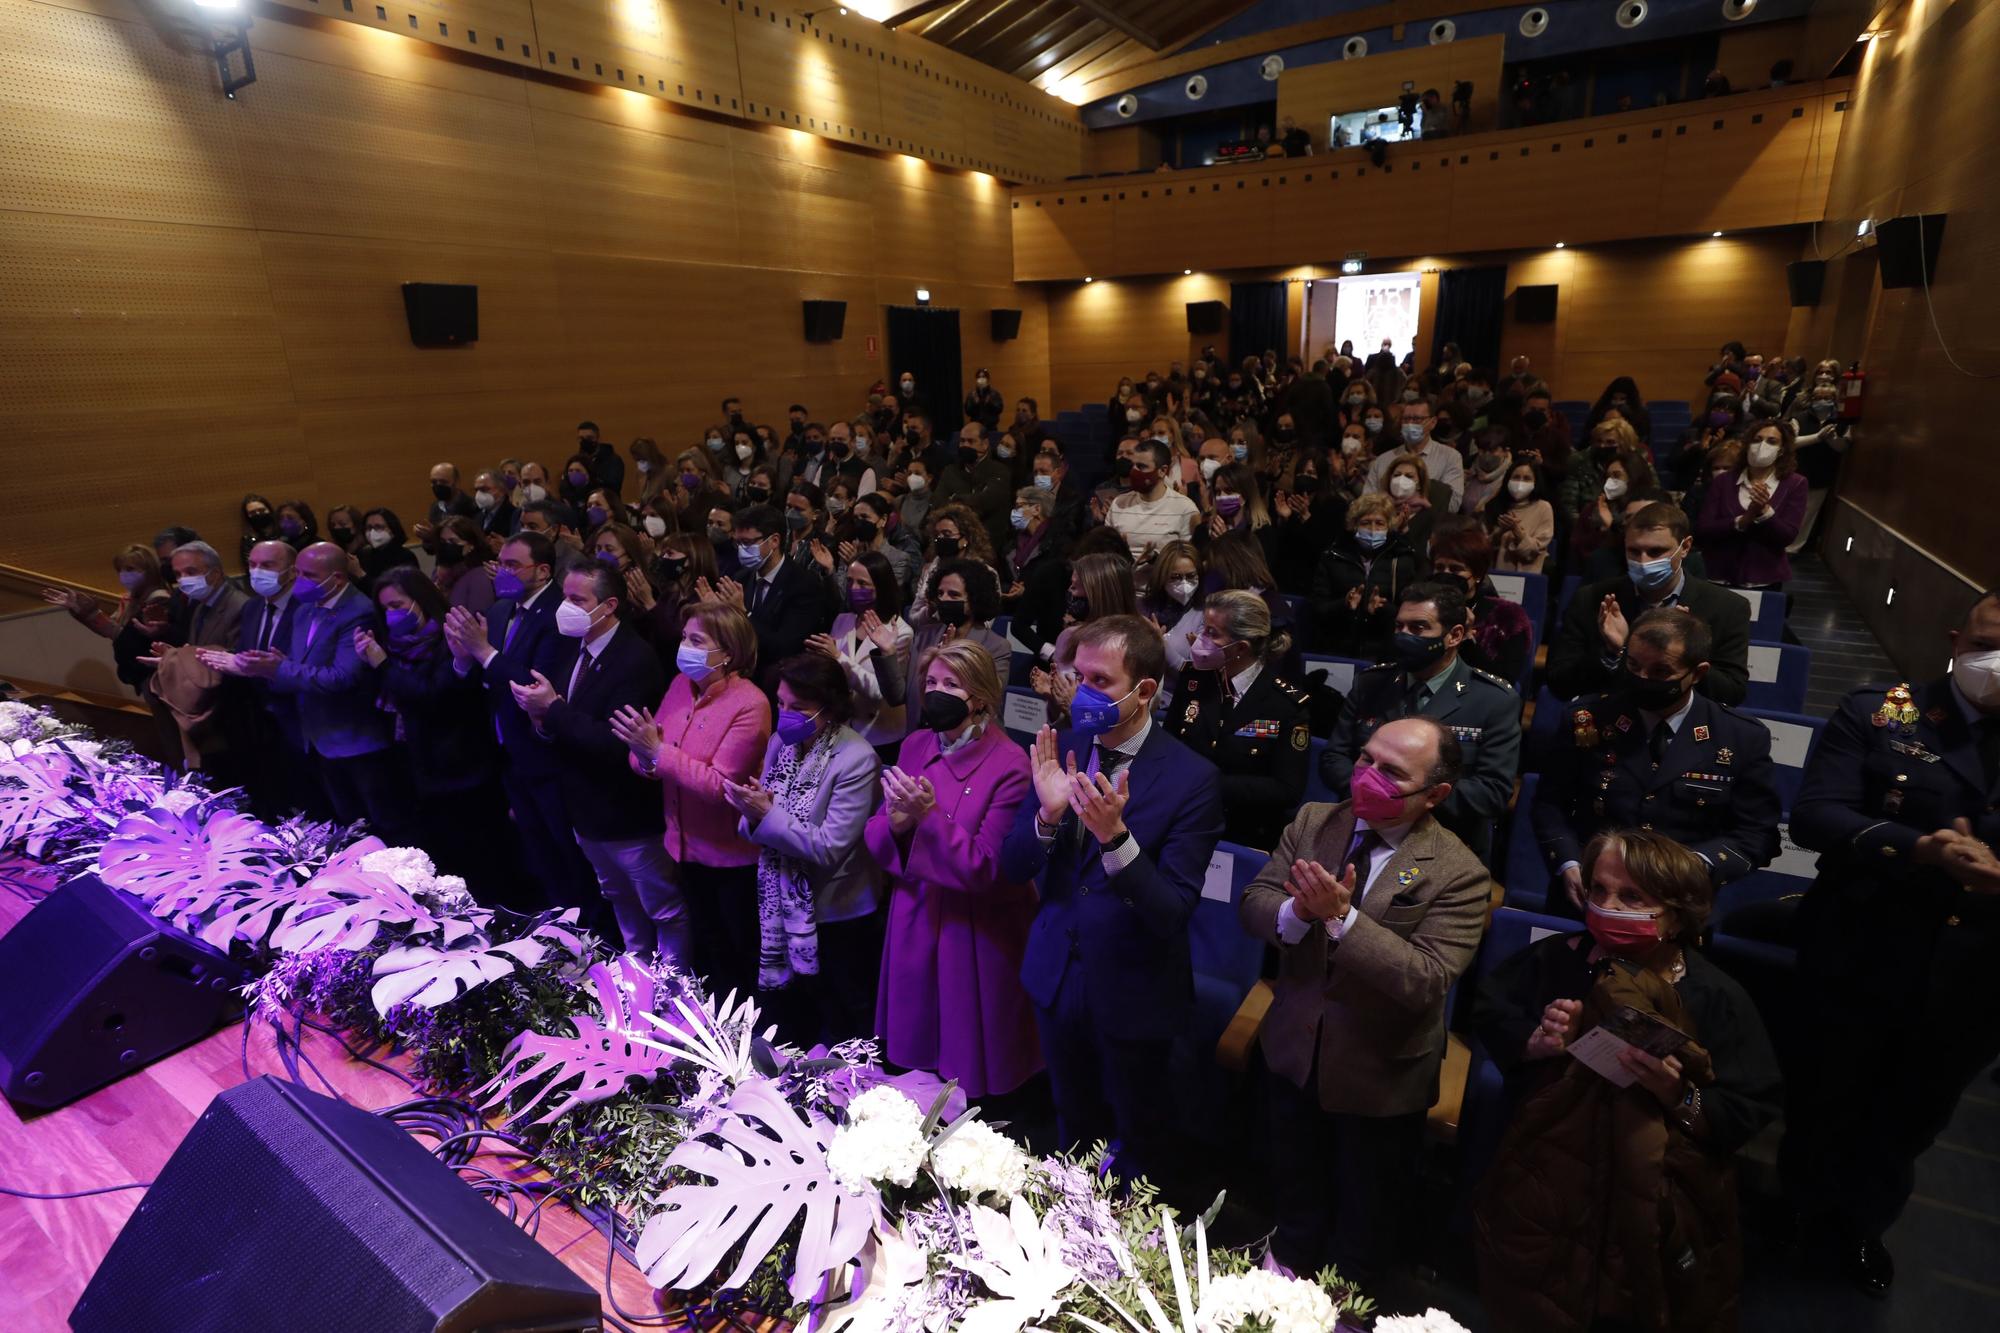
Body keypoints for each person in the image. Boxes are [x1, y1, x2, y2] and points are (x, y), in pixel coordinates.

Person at [1473, 830, 1782, 1332]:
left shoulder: (1717, 997)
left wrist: (1676, 1094)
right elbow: (1492, 1010)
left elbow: (1749, 1105)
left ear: (1676, 913)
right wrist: (1538, 1043)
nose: (1606, 906)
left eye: (1631, 897)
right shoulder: (1558, 957)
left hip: (1653, 1205)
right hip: (1549, 1189)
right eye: (1598, 890)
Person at [1781, 592, 2000, 1296]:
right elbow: (1816, 814)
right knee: (1825, 1093)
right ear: (1958, 636)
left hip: (1974, 972)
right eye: (1993, 640)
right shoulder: (1888, 710)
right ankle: (1795, 1214)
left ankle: (1861, 1225)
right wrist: (1920, 850)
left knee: (1913, 1112)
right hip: (1863, 943)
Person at [1242, 716, 1492, 1282]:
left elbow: (1427, 977)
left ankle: (1350, 1307)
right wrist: (1295, 913)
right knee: (1294, 1191)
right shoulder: (1315, 821)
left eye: (1391, 772)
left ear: (1435, 795)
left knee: (1366, 1216)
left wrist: (1341, 919)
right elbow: (1253, 902)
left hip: (1380, 1072)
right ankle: (1281, 1283)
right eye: (1366, 760)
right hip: (1294, 1050)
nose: (1368, 776)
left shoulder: (1460, 872)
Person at [1000, 615, 1224, 1187]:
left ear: (1144, 691)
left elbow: (1172, 909)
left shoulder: (1191, 778)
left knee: (1139, 1140)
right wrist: (1047, 817)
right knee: (1070, 1127)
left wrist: (1115, 839)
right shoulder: (1063, 746)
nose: (1082, 692)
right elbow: (1012, 867)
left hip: (1133, 987)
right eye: (1078, 676)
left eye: (1101, 680)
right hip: (1055, 974)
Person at [868, 639, 1041, 1099]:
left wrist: (928, 819)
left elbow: (988, 867)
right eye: (930, 682)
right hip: (916, 914)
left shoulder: (1011, 765)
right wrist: (901, 826)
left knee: (969, 1060)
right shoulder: (915, 744)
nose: (936, 692)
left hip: (974, 929)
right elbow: (879, 830)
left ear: (980, 696)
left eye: (951, 684)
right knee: (912, 1056)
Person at [1533, 608, 1779, 912]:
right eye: (1633, 665)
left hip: (1679, 904)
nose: (1642, 679)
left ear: (1698, 673)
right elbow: (1549, 804)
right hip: (1590, 894)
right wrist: (1568, 862)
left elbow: (1757, 833)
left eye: (1661, 672)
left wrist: (1693, 868)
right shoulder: (1588, 718)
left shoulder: (1739, 737)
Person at [613, 602, 771, 998]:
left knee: (738, 956)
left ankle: (748, 1043)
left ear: (728, 653)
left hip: (731, 856)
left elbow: (721, 787)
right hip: (682, 847)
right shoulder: (681, 685)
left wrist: (657, 753)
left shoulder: (750, 704)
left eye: (696, 640)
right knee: (707, 950)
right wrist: (648, 755)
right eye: (684, 637)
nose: (684, 646)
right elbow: (644, 754)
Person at [724, 653, 883, 1044]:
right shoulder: (782, 742)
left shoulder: (857, 758)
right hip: (781, 896)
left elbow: (829, 846)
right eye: (780, 703)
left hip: (837, 909)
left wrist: (765, 814)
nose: (785, 714)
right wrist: (753, 810)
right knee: (798, 1010)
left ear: (828, 709)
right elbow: (759, 820)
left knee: (844, 1010)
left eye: (798, 708)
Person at [508, 563, 673, 938]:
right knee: (617, 902)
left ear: (609, 605)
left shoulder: (635, 658)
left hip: (625, 812)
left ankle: (671, 984)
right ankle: (633, 976)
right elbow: (561, 723)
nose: (564, 606)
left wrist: (553, 709)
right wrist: (539, 719)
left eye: (576, 599)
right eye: (565, 596)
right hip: (583, 809)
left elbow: (615, 743)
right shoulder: (571, 648)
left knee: (661, 910)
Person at [204, 541, 411, 841]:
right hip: (315, 738)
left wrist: (277, 669)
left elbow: (342, 677)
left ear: (337, 578)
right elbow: (297, 668)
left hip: (357, 739)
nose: (298, 581)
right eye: (297, 572)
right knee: (347, 828)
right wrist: (264, 667)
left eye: (308, 575)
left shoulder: (359, 611)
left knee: (385, 828)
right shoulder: (304, 610)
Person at [1321, 582, 1521, 865]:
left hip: (1445, 851)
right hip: (1364, 835)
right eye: (1399, 627)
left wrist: (1403, 800)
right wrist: (1373, 794)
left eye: (1418, 628)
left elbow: (1491, 791)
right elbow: (1334, 757)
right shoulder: (1372, 683)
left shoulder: (1493, 700)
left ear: (1454, 635)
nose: (1403, 636)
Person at [443, 531, 588, 910]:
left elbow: (535, 684)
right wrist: (462, 659)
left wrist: (483, 651)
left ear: (542, 570)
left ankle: (588, 927)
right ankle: (555, 925)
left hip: (547, 754)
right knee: (536, 851)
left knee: (567, 853)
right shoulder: (500, 608)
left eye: (512, 565)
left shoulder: (561, 614)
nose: (502, 572)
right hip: (508, 752)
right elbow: (484, 677)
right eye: (500, 563)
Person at [356, 567, 512, 894]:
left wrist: (382, 664)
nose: (392, 614)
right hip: (414, 766)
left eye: (398, 605)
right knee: (440, 856)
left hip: (461, 765)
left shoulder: (447, 639)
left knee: (483, 857)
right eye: (385, 608)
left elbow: (431, 698)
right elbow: (379, 699)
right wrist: (372, 664)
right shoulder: (387, 645)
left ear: (420, 600)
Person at [1547, 502, 1752, 704]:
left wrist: (1686, 655)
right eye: (1634, 552)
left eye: (1656, 552)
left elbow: (1732, 693)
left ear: (1685, 547)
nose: (1644, 562)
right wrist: (1612, 653)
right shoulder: (1592, 599)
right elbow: (1559, 683)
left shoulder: (1728, 607)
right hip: (1611, 721)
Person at [1163, 590, 1312, 847]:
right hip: (1183, 822)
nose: (1200, 639)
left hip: (1244, 831)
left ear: (1241, 647)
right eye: (1203, 629)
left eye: (1211, 633)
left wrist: (1207, 786)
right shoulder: (1195, 681)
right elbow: (1167, 746)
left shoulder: (1285, 704)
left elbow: (1287, 790)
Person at [148, 541, 252, 773]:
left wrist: (182, 658)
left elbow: (235, 658)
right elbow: (198, 650)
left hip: (236, 713)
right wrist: (174, 656)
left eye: (191, 572)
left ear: (215, 573)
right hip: (213, 717)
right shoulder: (198, 606)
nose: (183, 579)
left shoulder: (239, 606)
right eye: (178, 574)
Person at [231, 539, 311, 821]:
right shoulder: (253, 607)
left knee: (307, 799)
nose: (257, 572)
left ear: (291, 571)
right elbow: (246, 653)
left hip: (298, 716)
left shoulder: (307, 607)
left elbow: (308, 664)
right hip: (261, 718)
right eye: (252, 565)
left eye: (267, 565)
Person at [717, 503, 831, 686]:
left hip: (780, 684)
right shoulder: (740, 578)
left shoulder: (804, 584)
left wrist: (744, 614)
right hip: (739, 679)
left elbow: (785, 646)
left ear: (774, 541)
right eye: (738, 543)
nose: (741, 550)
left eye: (747, 543)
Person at [814, 551, 912, 751]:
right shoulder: (843, 620)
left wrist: (838, 657)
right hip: (841, 726)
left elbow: (881, 690)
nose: (854, 588)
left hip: (879, 734)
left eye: (862, 583)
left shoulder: (901, 632)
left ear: (881, 587)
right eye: (850, 582)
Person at [1694, 419, 1807, 589]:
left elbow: (1787, 536)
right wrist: (1742, 521)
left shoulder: (1795, 484)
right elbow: (1704, 529)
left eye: (1771, 441)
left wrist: (1765, 512)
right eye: (1757, 439)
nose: (1762, 445)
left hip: (1764, 575)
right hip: (1719, 572)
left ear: (1782, 450)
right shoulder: (1724, 481)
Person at [42, 545, 169, 695]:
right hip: (140, 674)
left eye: (130, 569)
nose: (123, 575)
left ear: (149, 570)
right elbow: (113, 632)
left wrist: (92, 613)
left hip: (158, 675)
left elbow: (128, 637)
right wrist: (79, 610)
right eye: (120, 570)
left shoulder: (159, 598)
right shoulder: (130, 599)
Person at [1309, 493, 1420, 659]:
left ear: (1388, 526)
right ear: (1354, 525)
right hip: (1338, 649)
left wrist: (1384, 608)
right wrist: (1343, 605)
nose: (1373, 529)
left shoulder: (1403, 560)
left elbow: (1413, 613)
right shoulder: (1332, 557)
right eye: (1366, 523)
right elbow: (1316, 608)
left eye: (1379, 523)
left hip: (1383, 652)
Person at [1427, 518, 1535, 687]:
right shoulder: (1422, 607)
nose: (1446, 574)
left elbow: (1504, 681)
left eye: (1456, 569)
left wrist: (1467, 640)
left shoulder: (1507, 617)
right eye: (1439, 568)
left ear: (1477, 574)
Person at [1107, 438, 1200, 562]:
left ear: (1162, 471)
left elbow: (1190, 558)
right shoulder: (1118, 504)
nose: (1134, 471)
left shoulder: (1185, 508)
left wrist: (1156, 559)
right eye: (1133, 465)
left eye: (1141, 466)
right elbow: (1106, 553)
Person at [1366, 396, 1465, 509]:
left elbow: (1453, 504)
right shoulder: (1382, 460)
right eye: (1406, 419)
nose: (1410, 424)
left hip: (1429, 524)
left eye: (1417, 419)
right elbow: (1367, 501)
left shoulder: (1450, 457)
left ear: (1432, 422)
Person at [933, 421, 1014, 553]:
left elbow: (987, 501)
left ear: (985, 444)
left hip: (989, 542)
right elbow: (938, 502)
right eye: (962, 441)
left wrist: (955, 499)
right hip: (952, 541)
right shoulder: (950, 471)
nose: (965, 445)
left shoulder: (1000, 471)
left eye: (971, 441)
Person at [1485, 459, 1554, 574]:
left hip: (1528, 574)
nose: (1520, 482)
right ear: (1508, 479)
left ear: (1535, 482)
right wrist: (1500, 532)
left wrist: (1516, 530)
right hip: (1493, 574)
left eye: (1527, 478)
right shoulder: (1494, 505)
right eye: (1516, 477)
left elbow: (1534, 551)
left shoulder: (1543, 507)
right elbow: (1481, 547)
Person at [418, 462, 479, 552]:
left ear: (456, 482)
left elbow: (470, 545)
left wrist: (434, 536)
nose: (438, 485)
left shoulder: (471, 506)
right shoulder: (435, 507)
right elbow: (430, 550)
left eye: (443, 482)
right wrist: (427, 537)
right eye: (434, 482)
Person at [355, 507, 420, 590]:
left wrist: (360, 574)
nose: (372, 532)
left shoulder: (405, 556)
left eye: (378, 527)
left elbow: (395, 590)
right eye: (369, 528)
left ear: (392, 529)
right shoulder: (364, 554)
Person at [470, 469, 519, 539]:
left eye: (484, 489)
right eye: (477, 490)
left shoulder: (514, 515)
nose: (479, 494)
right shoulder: (477, 515)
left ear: (502, 490)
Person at [238, 492, 278, 568]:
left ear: (269, 510)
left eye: (261, 510)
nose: (258, 514)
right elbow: (250, 567)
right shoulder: (248, 540)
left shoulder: (283, 531)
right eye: (252, 513)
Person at [963, 369, 1004, 433]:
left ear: (987, 379)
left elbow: (999, 409)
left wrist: (990, 402)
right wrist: (975, 404)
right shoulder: (972, 395)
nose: (981, 379)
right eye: (979, 377)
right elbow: (967, 411)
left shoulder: (994, 394)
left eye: (983, 377)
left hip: (991, 428)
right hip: (976, 428)